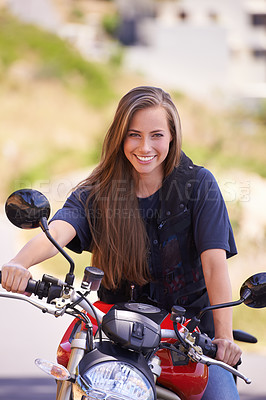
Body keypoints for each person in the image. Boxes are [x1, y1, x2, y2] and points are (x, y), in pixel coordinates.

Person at [1, 86, 241, 399]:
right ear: (120, 137)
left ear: (171, 137)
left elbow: (214, 263)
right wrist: (19, 263)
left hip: (188, 338)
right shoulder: (100, 190)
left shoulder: (197, 185)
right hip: (114, 330)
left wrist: (223, 337)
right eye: (134, 134)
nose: (145, 146)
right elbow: (60, 229)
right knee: (72, 380)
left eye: (156, 135)